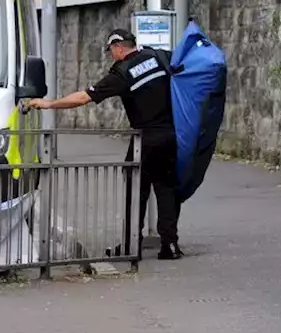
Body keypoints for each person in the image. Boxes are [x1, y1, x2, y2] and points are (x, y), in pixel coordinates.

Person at [23, 28, 184, 260]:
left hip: (144, 140)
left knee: (135, 193)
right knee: (166, 190)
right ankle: (170, 245)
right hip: (170, 135)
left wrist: (49, 104)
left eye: (111, 51)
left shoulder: (122, 73)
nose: (111, 55)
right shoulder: (158, 57)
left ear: (119, 48)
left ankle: (131, 247)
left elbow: (83, 97)